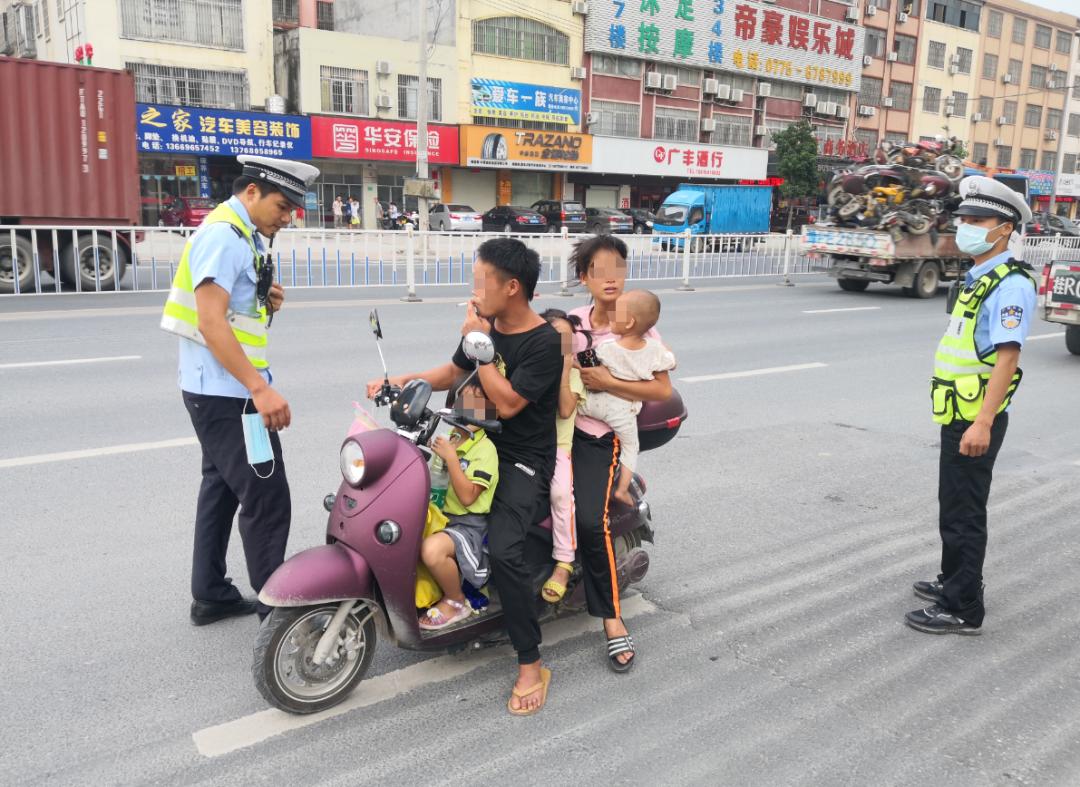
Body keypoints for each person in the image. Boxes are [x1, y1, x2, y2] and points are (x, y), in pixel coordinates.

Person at [366, 238, 562, 715]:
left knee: (508, 549)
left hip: (521, 458)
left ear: (512, 287)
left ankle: (531, 663)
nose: (473, 291)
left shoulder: (543, 342)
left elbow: (512, 403)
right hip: (473, 438)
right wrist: (403, 382)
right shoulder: (485, 327)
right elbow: (453, 372)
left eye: (480, 282)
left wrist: (483, 348)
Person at [161, 155, 320, 626]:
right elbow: (210, 322)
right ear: (252, 192)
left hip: (213, 389)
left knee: (222, 488)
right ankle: (280, 613)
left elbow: (231, 313)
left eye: (293, 208)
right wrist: (259, 389)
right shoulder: (224, 237)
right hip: (231, 395)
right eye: (283, 205)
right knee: (267, 495)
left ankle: (210, 594)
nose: (287, 216)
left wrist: (264, 301)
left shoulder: (242, 233)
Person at [907, 176, 1037, 636]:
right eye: (964, 220)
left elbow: (1008, 357)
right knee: (953, 504)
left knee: (964, 510)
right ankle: (950, 580)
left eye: (978, 221)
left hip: (973, 416)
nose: (967, 228)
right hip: (956, 411)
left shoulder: (1011, 285)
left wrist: (983, 421)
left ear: (1004, 229)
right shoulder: (979, 278)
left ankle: (963, 606)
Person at [568, 235, 673, 673]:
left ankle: (612, 619)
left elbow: (661, 389)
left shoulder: (640, 325)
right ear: (584, 277)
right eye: (600, 270)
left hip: (600, 434)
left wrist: (608, 383)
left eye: (618, 268)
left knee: (592, 521)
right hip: (559, 427)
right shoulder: (571, 322)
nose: (610, 278)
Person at [577, 289, 676, 507]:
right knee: (631, 446)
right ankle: (622, 490)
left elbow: (589, 364)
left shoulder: (606, 348)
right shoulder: (655, 351)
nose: (611, 316)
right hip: (622, 413)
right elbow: (671, 362)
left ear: (629, 322)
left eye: (616, 313)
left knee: (570, 406)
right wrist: (665, 355)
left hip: (594, 405)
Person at [419, 384, 500, 630]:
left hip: (468, 525)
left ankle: (456, 600)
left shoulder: (485, 449)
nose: (472, 410)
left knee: (431, 550)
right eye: (465, 402)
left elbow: (467, 497)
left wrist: (451, 459)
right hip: (442, 516)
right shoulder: (451, 439)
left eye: (479, 403)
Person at [538, 309, 588, 604]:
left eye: (568, 340)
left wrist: (564, 370)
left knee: (559, 495)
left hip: (557, 449)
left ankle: (564, 562)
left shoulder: (573, 376)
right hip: (527, 447)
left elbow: (566, 409)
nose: (563, 345)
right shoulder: (530, 366)